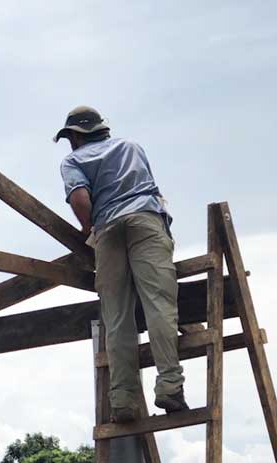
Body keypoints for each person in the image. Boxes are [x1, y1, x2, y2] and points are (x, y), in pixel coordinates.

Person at [54, 106, 187, 422]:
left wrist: (93, 228)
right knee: (159, 306)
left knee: (117, 317)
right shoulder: (131, 147)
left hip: (109, 229)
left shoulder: (72, 161)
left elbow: (80, 200)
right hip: (145, 219)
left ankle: (124, 401)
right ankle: (169, 387)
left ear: (76, 136)